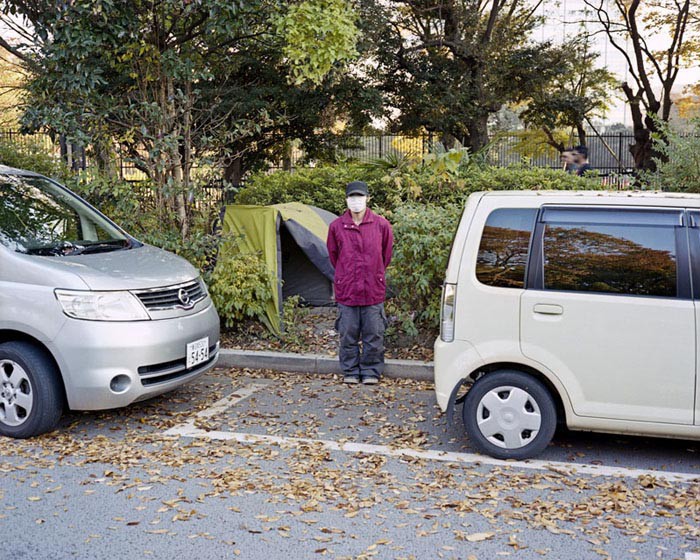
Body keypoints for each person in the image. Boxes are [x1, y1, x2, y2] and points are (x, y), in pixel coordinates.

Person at [327, 181, 393, 385]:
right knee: (348, 333)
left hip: (373, 288)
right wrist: (345, 274)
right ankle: (351, 371)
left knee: (374, 333)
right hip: (347, 289)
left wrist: (375, 273)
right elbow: (333, 255)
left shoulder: (381, 224)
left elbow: (386, 254)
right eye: (352, 197)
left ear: (367, 198)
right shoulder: (337, 226)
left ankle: (371, 371)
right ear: (346, 200)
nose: (356, 201)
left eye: (360, 197)